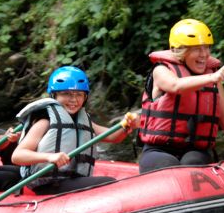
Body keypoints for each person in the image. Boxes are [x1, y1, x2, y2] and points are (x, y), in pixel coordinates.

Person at [137, 19, 224, 173]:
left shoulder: (213, 77)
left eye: (206, 47)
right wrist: (214, 78)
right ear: (179, 50)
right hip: (158, 151)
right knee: (168, 163)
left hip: (195, 151)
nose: (204, 54)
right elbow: (176, 86)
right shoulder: (161, 70)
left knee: (193, 162)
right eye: (197, 49)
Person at [12, 66, 138, 195]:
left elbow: (113, 137)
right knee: (108, 182)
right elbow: (17, 156)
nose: (73, 100)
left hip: (72, 179)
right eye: (66, 94)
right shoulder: (44, 121)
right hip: (49, 183)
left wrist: (126, 126)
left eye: (79, 94)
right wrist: (49, 157)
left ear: (85, 97)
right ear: (54, 95)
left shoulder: (82, 120)